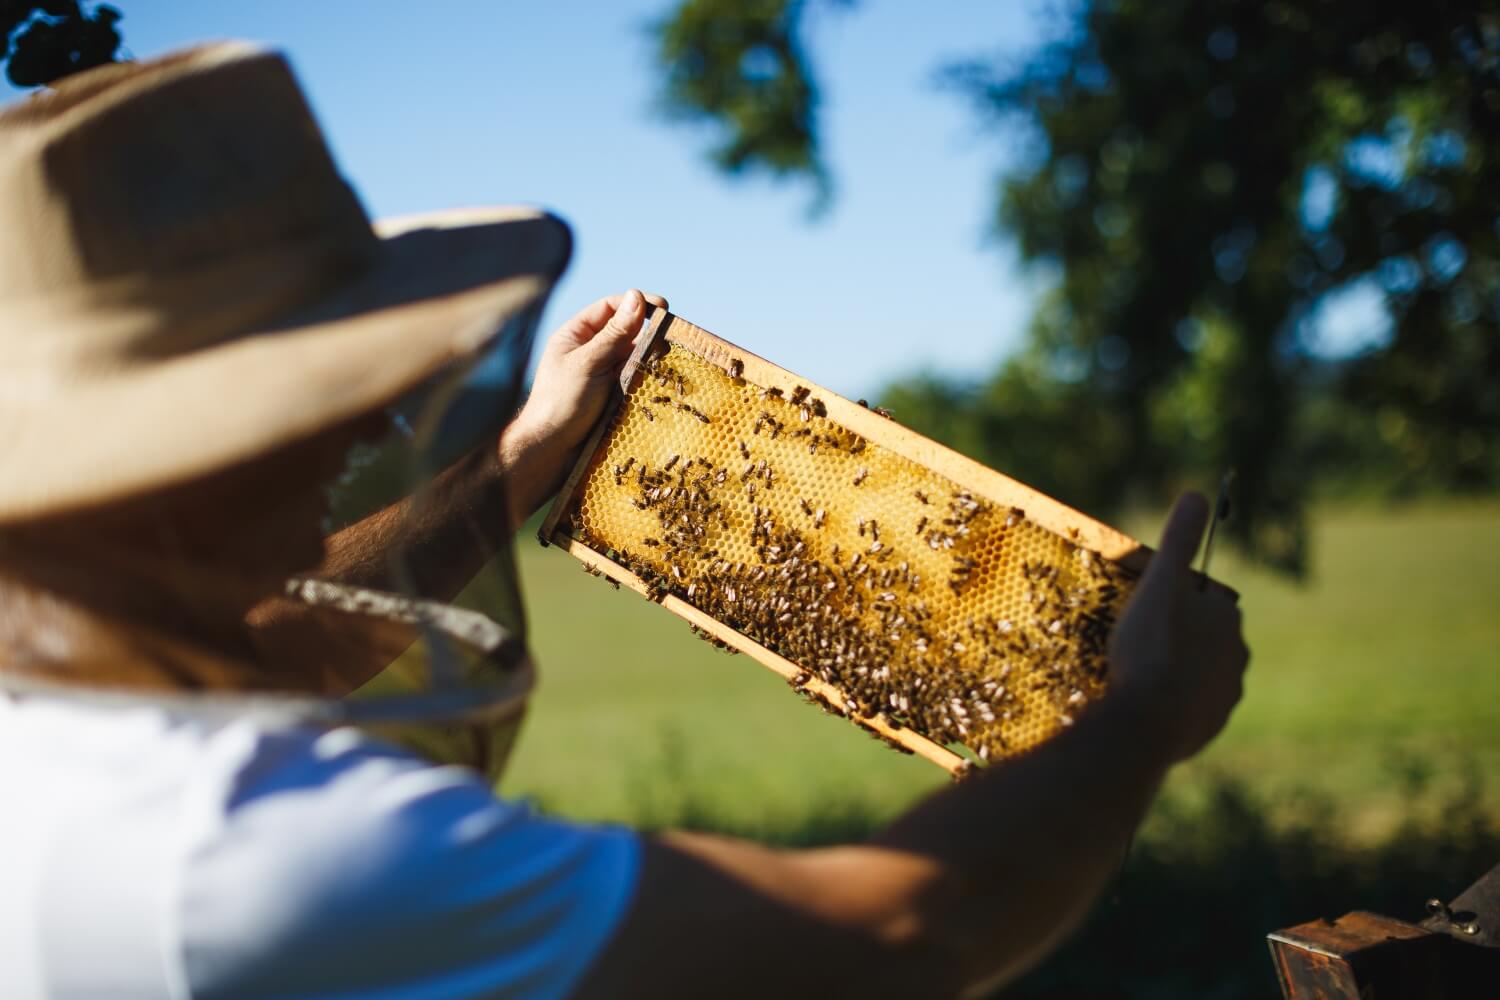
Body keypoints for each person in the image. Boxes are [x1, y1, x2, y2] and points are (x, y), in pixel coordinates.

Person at [0, 43, 1248, 1000]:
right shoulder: (252, 860)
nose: (365, 428)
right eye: (319, 388)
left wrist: (525, 457)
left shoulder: (48, 720)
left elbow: (278, 644)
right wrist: (1136, 717)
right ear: (188, 446)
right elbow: (897, 932)